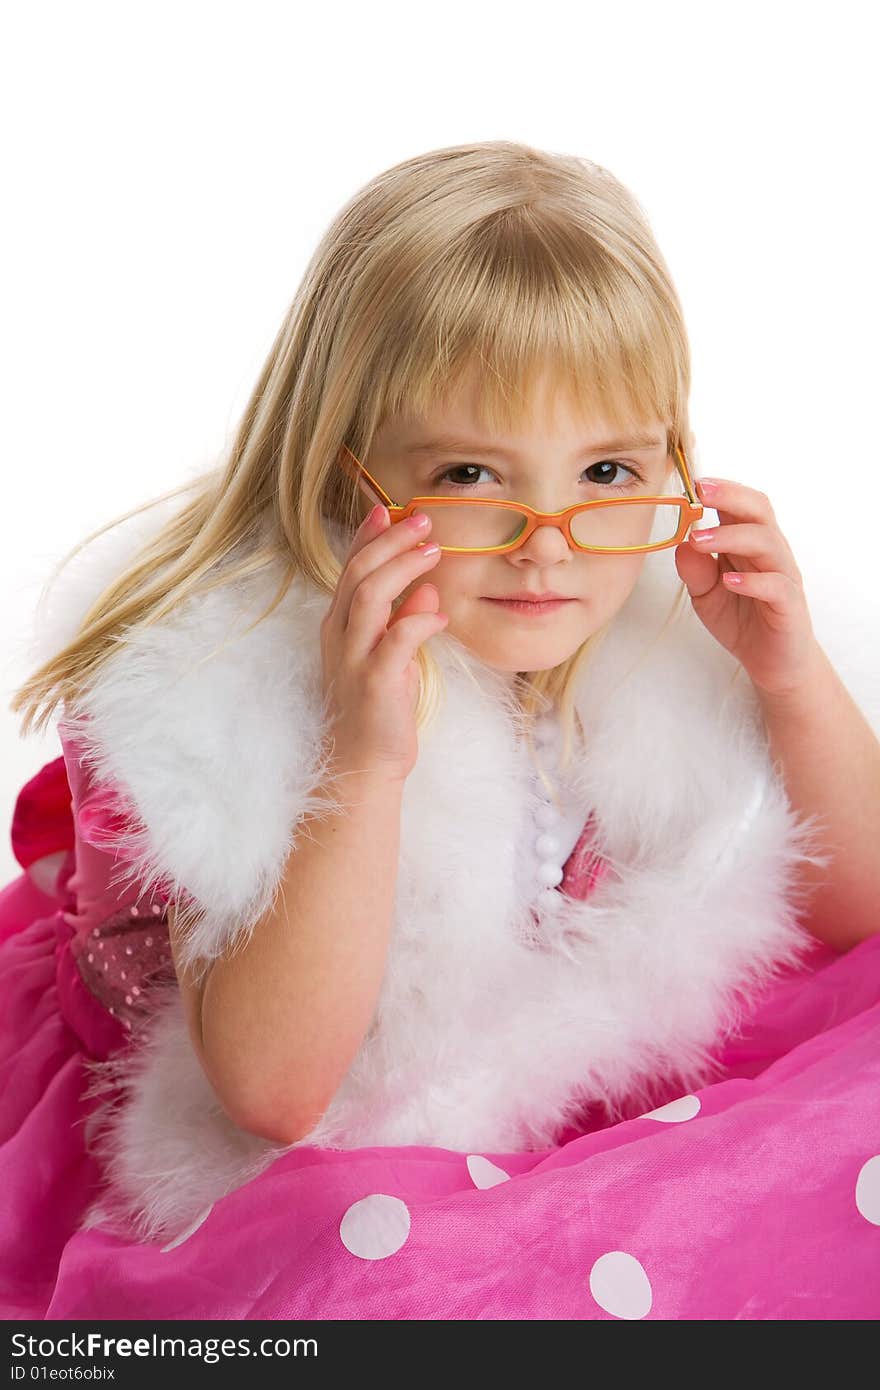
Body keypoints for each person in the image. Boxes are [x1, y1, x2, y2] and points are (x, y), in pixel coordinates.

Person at [2, 140, 879, 1322]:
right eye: (473, 471)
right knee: (378, 1276)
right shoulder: (223, 697)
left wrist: (790, 679)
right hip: (324, 1117)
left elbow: (855, 910)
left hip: (567, 1093)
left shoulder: (658, 634)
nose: (550, 542)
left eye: (608, 468)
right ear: (340, 466)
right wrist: (360, 759)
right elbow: (274, 1096)